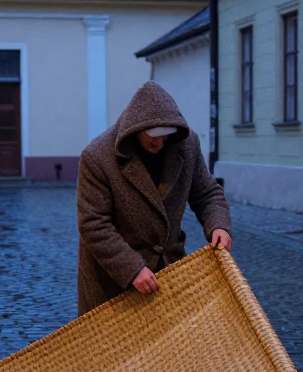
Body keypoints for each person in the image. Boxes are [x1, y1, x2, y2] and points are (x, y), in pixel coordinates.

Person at [76, 81, 232, 316]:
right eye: (153, 136)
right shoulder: (97, 157)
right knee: (115, 350)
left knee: (170, 348)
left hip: (168, 271)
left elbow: (207, 193)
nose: (159, 143)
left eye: (166, 136)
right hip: (110, 282)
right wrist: (131, 268)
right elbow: (93, 224)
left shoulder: (186, 146)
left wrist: (218, 225)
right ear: (135, 128)